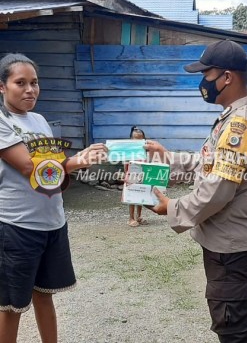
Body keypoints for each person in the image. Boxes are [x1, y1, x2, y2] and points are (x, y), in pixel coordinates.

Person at [145, 40, 247, 343]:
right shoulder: (234, 116)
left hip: (230, 244)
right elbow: (210, 163)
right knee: (237, 319)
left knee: (233, 328)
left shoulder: (239, 125)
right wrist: (169, 158)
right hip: (232, 238)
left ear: (227, 77)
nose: (203, 82)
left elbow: (219, 190)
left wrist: (171, 208)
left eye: (208, 74)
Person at [0, 53, 108, 343]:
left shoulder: (39, 120)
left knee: (44, 296)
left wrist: (74, 165)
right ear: (2, 86)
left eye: (34, 82)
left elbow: (55, 175)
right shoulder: (1, 122)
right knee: (12, 306)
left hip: (52, 223)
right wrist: (74, 162)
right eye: (20, 83)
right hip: (17, 226)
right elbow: (28, 167)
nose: (30, 90)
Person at [124, 125, 148, 227]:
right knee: (132, 198)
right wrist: (126, 175)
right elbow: (125, 164)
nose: (138, 142)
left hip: (141, 175)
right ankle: (131, 218)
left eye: (141, 139)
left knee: (140, 196)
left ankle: (139, 216)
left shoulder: (144, 151)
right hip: (131, 176)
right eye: (136, 139)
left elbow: (147, 163)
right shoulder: (129, 152)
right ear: (131, 140)